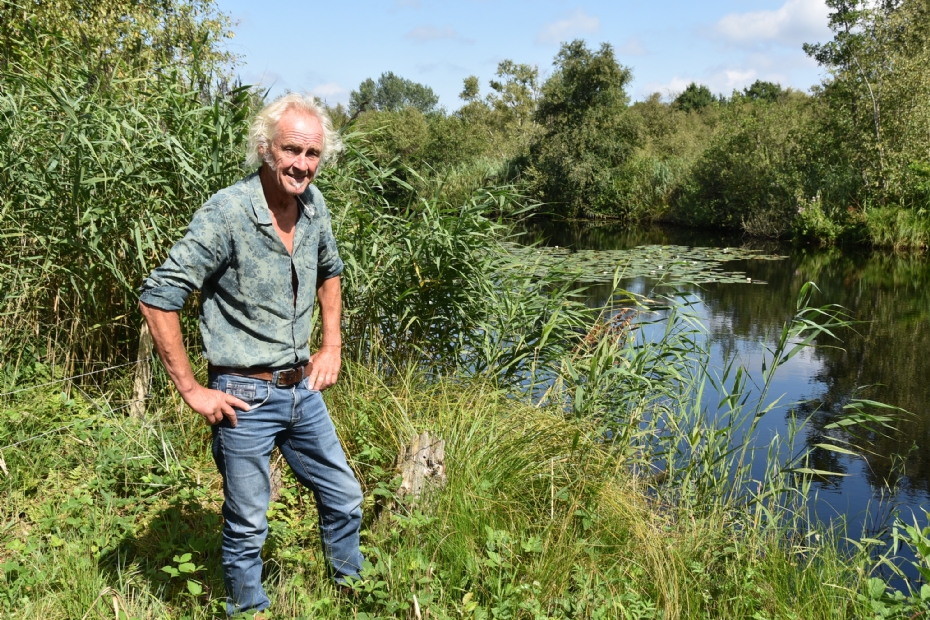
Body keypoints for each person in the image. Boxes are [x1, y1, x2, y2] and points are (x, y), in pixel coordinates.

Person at [139, 93, 363, 617]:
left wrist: (331, 345)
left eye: (313, 154)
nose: (303, 165)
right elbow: (159, 296)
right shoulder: (228, 213)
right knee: (248, 524)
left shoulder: (314, 205)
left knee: (345, 496)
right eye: (292, 151)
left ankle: (356, 597)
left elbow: (331, 270)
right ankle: (250, 610)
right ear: (265, 148)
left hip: (303, 389)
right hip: (242, 396)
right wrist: (192, 389)